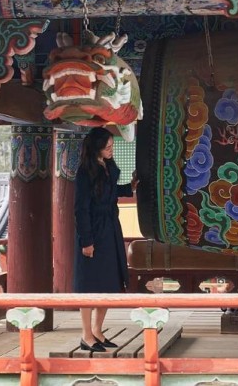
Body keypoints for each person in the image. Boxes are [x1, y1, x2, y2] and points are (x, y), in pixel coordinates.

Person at [74, 127, 138, 353]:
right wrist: (86, 241)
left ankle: (97, 330)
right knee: (89, 285)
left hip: (111, 229)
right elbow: (81, 209)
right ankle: (86, 335)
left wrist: (130, 187)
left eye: (112, 145)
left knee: (109, 281)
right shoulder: (85, 172)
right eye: (107, 146)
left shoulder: (108, 167)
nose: (111, 150)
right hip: (93, 231)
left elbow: (109, 193)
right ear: (96, 147)